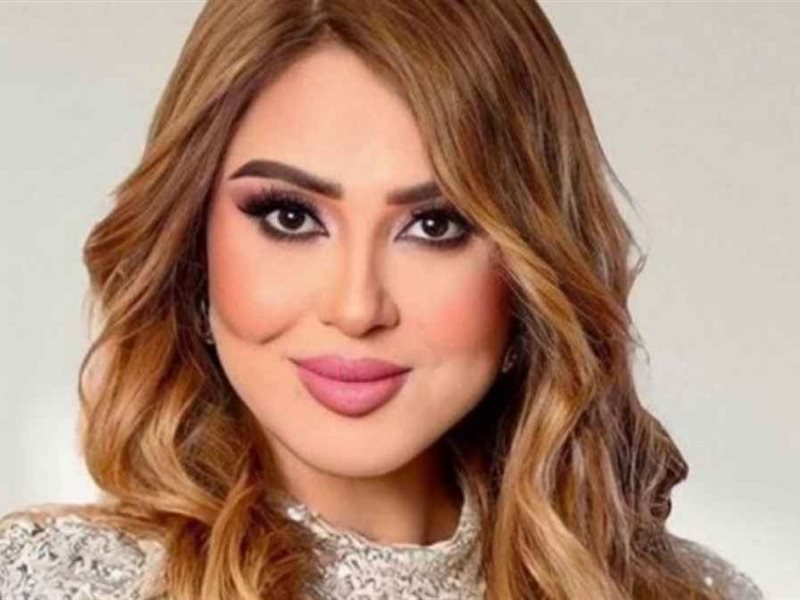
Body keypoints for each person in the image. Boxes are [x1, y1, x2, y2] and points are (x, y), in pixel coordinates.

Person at [0, 1, 765, 599]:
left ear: (531, 269)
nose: (357, 307)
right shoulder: (53, 584)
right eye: (290, 217)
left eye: (435, 225)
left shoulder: (688, 593)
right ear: (190, 245)